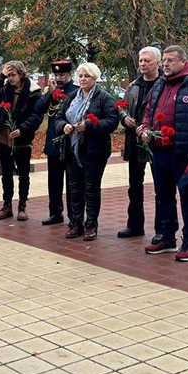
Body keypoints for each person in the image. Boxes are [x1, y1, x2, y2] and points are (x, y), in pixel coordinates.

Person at [142, 46, 188, 262]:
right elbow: (148, 112)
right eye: (164, 60)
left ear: (183, 62)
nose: (166, 64)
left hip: (183, 153)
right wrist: (145, 129)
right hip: (159, 150)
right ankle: (167, 237)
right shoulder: (159, 85)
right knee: (163, 196)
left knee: (187, 197)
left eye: (171, 60)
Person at [56, 62, 120, 241]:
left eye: (87, 76)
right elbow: (59, 117)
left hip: (94, 151)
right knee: (74, 189)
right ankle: (76, 223)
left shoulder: (104, 97)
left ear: (95, 78)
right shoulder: (72, 97)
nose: (83, 79)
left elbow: (112, 121)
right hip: (72, 149)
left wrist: (89, 125)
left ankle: (91, 225)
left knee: (91, 189)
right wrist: (65, 126)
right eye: (81, 76)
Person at [0, 60, 45, 221]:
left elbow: (37, 115)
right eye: (8, 75)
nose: (10, 78)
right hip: (4, 137)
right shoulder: (4, 88)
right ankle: (7, 205)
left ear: (21, 74)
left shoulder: (33, 92)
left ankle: (22, 206)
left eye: (13, 75)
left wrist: (23, 129)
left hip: (22, 138)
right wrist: (0, 76)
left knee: (23, 173)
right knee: (6, 173)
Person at [118, 47, 161, 238]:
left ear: (158, 63)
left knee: (161, 187)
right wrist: (124, 117)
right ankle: (135, 225)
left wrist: (150, 129)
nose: (142, 64)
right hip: (134, 141)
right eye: (141, 61)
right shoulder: (133, 86)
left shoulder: (164, 85)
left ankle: (162, 230)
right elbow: (122, 107)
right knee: (134, 185)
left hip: (157, 142)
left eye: (147, 61)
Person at [38, 60, 78, 225]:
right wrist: (50, 93)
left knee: (71, 182)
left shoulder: (75, 91)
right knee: (54, 180)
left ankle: (73, 216)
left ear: (69, 74)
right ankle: (55, 212)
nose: (59, 77)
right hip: (54, 141)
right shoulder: (50, 91)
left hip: (69, 141)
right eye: (56, 74)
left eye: (62, 74)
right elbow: (38, 109)